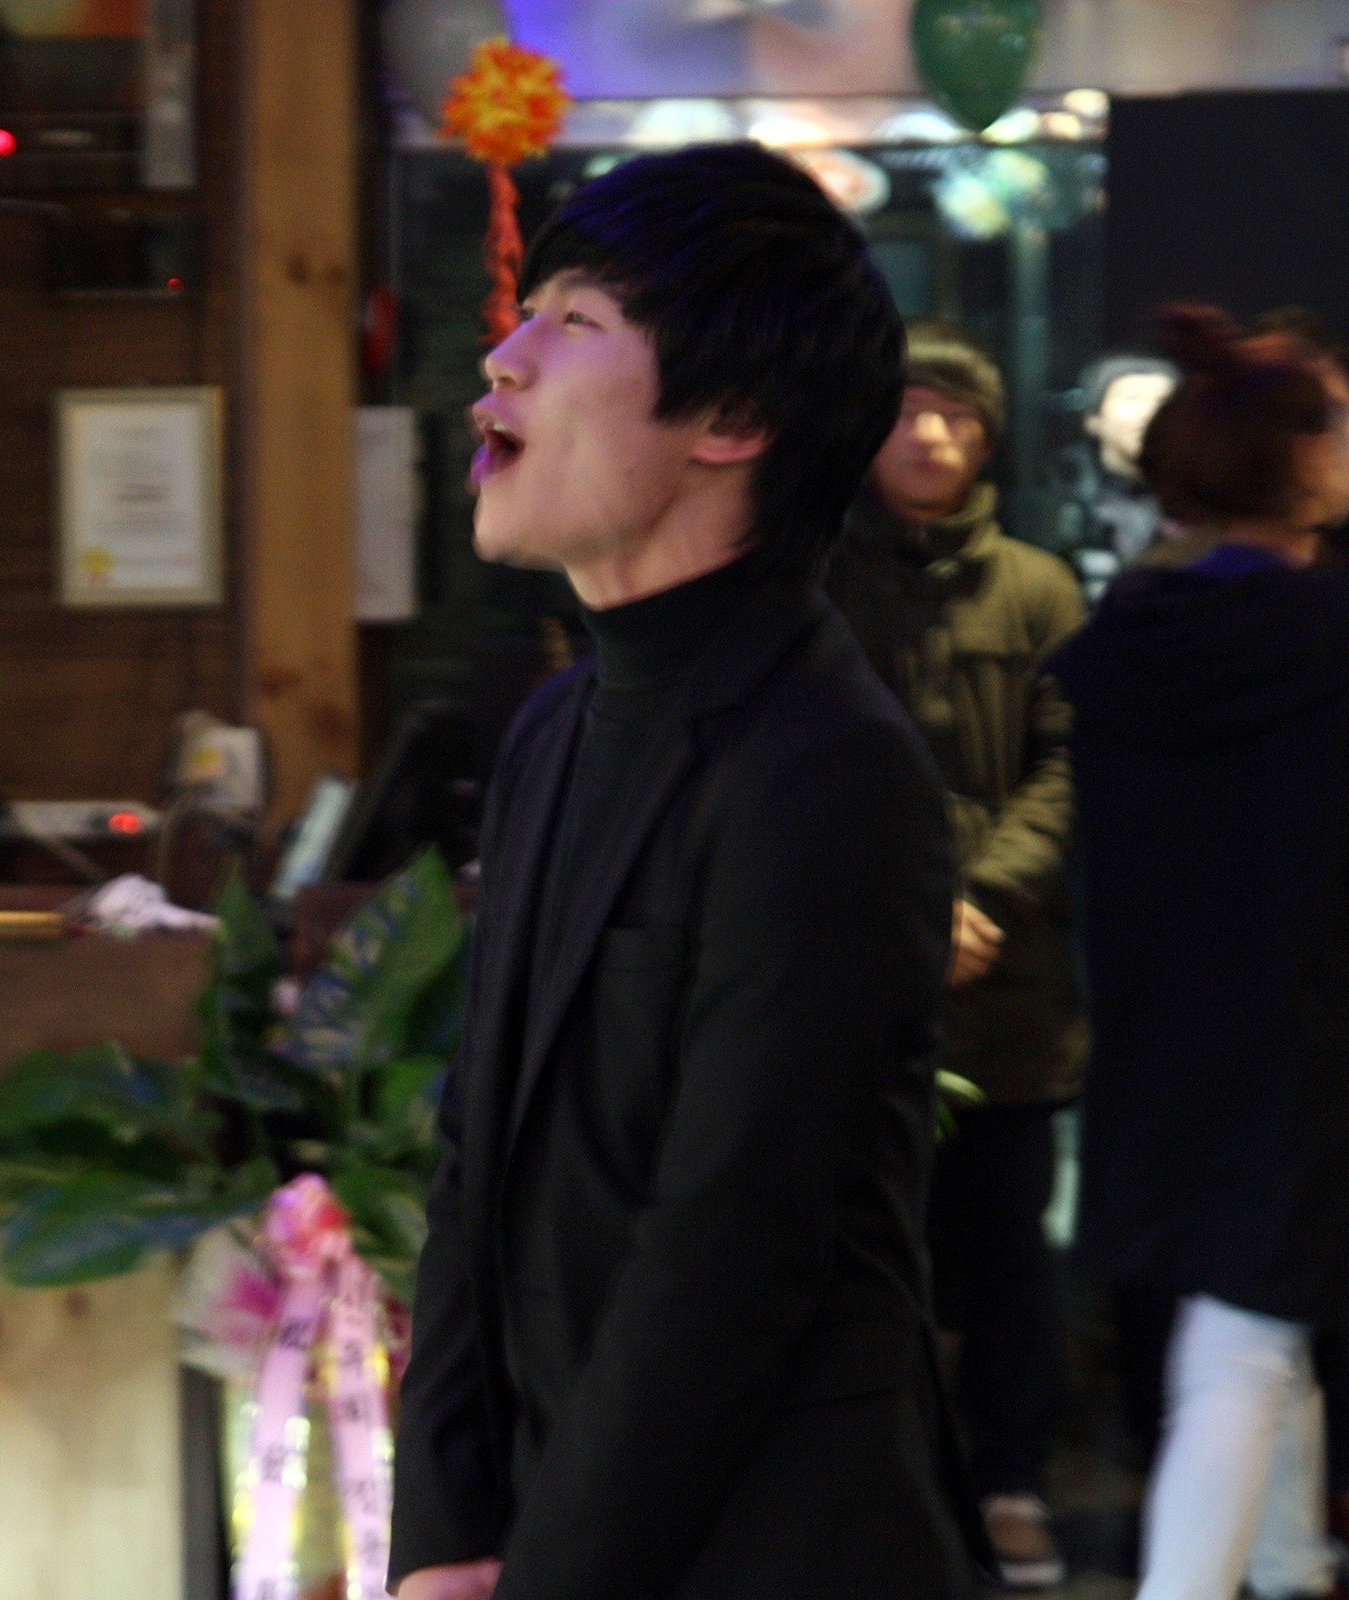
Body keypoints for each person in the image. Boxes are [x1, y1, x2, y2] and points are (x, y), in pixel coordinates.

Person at [389, 142, 980, 1600]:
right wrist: (444, 1533)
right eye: (526, 314)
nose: (504, 362)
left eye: (576, 322)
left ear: (732, 417)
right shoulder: (557, 728)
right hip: (552, 1527)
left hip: (775, 1544)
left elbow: (736, 1245)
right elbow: (476, 1160)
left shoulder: (828, 763)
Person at [1048, 306, 1349, 1600]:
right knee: (1247, 1348)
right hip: (1311, 1053)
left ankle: (1286, 1561)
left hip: (1154, 1044)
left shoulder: (1124, 647)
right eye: (1345, 421)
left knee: (1252, 1324)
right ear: (1308, 460)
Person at [825, 316, 1088, 1591]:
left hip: (1013, 985)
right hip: (858, 980)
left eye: (960, 416)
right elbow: (801, 765)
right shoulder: (813, 575)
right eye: (909, 411)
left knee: (1012, 1257)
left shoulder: (1039, 587)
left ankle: (1013, 1482)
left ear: (989, 439)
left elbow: (1072, 766)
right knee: (870, 1254)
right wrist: (903, 906)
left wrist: (979, 897)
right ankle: (890, 1489)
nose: (932, 435)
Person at [1052, 353, 1179, 601]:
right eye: (1131, 398)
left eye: (1163, 401)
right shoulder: (1059, 493)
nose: (1149, 412)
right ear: (1093, 419)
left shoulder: (1203, 500)